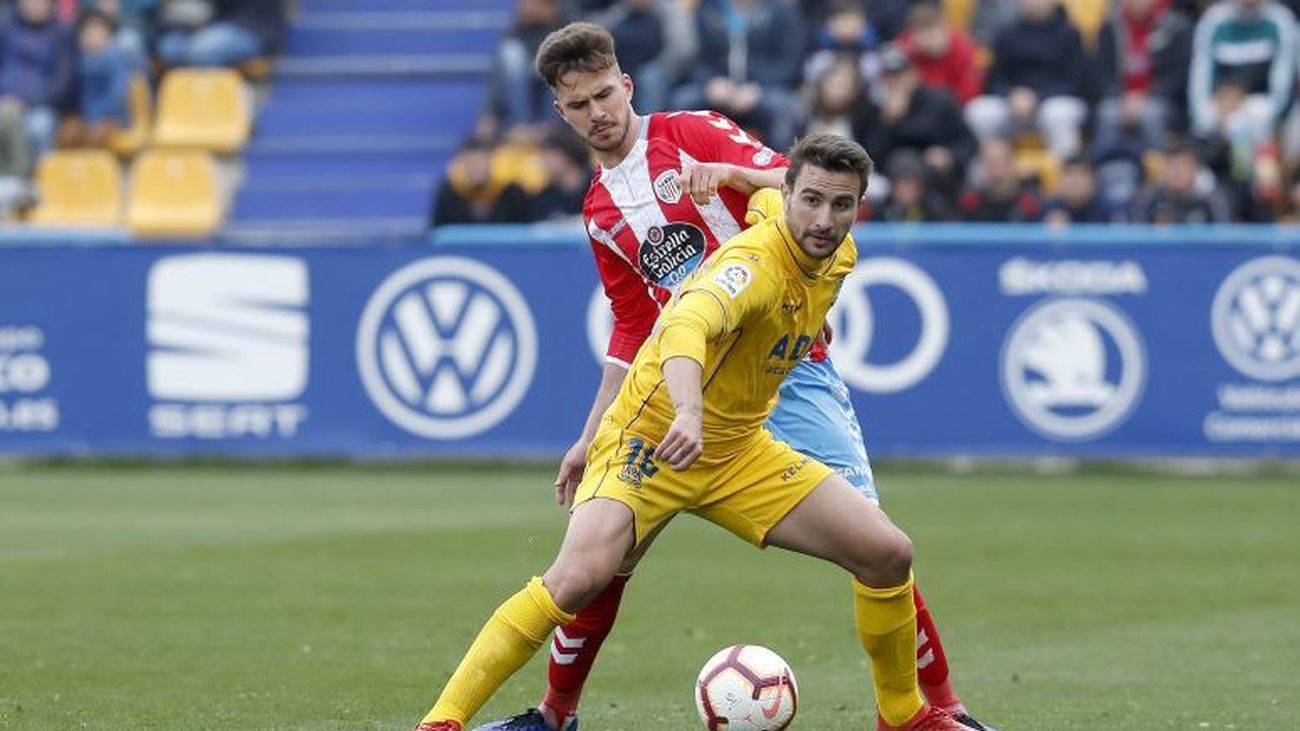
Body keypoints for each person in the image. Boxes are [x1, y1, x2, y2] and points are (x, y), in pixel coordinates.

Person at [461, 22, 1000, 731]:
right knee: (605, 560)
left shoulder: (695, 131)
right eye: (579, 103)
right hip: (681, 396)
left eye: (604, 93)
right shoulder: (598, 213)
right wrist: (588, 434)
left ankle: (936, 709)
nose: (598, 112)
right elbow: (632, 328)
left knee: (875, 541)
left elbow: (809, 183)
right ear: (560, 113)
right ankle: (556, 715)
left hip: (791, 374)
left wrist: (739, 175)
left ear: (626, 84)